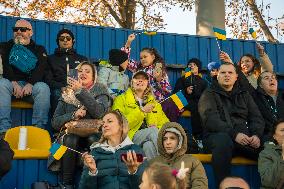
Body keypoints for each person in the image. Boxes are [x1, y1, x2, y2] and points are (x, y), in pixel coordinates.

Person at [198, 63, 264, 186]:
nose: (227, 75)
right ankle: (224, 186)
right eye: (223, 73)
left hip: (244, 139)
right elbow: (211, 120)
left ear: (236, 77)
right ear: (217, 75)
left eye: (230, 73)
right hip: (216, 137)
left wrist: (256, 135)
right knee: (223, 141)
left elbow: (256, 118)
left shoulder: (244, 94)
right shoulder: (208, 94)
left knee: (270, 147)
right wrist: (234, 135)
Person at [52, 61, 112, 188]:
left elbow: (99, 113)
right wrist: (73, 115)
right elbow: (55, 123)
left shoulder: (100, 89)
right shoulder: (67, 93)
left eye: (87, 71)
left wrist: (80, 91)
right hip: (70, 136)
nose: (83, 73)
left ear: (94, 76)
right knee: (70, 138)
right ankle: (66, 184)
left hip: (93, 134)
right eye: (80, 71)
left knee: (93, 139)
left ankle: (100, 181)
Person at [0, 19, 50, 134]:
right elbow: (5, 65)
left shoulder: (39, 49)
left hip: (31, 88)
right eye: (15, 29)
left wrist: (30, 84)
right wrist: (13, 82)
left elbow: (41, 68)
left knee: (43, 88)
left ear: (30, 32)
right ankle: (3, 131)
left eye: (22, 29)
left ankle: (38, 130)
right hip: (11, 87)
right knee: (2, 84)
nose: (18, 32)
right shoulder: (6, 46)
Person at [79, 110, 146, 189]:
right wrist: (92, 172)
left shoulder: (136, 150)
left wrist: (133, 172)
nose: (104, 125)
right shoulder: (95, 152)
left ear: (121, 126)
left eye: (109, 121)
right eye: (103, 123)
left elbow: (145, 186)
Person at [112, 70, 169, 159]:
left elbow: (166, 124)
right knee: (152, 131)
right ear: (131, 82)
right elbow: (119, 125)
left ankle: (155, 171)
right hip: (128, 136)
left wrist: (158, 128)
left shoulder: (155, 104)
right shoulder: (121, 99)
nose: (140, 80)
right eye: (137, 78)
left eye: (144, 79)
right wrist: (142, 111)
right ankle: (168, 160)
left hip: (150, 137)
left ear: (147, 84)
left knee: (148, 145)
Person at [151, 122, 208, 189]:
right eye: (165, 139)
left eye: (172, 138)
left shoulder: (193, 161)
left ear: (179, 140)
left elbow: (201, 186)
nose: (168, 142)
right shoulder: (153, 163)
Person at [45, 28, 88, 115]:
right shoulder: (50, 59)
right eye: (62, 38)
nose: (65, 40)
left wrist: (78, 87)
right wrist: (61, 87)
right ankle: (58, 126)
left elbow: (89, 77)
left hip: (78, 88)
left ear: (73, 41)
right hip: (59, 89)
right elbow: (48, 79)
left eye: (68, 38)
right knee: (58, 94)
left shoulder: (82, 59)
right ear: (58, 41)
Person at [173, 58, 207, 140]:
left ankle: (198, 137)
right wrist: (186, 91)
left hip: (197, 103)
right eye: (190, 64)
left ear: (198, 68)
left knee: (199, 107)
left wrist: (196, 92)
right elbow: (176, 94)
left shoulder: (203, 81)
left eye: (194, 64)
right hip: (184, 101)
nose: (191, 66)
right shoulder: (182, 79)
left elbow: (205, 95)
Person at [254, 71, 284, 142]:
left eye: (273, 78)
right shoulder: (255, 98)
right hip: (268, 137)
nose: (271, 79)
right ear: (260, 85)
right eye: (266, 78)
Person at [258, 120, 284, 189]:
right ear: (274, 136)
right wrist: (283, 157)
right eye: (282, 130)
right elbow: (270, 183)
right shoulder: (266, 154)